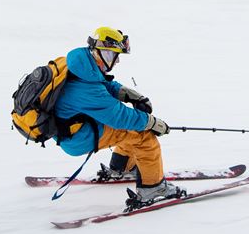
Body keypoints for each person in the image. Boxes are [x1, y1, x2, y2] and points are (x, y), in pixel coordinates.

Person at [54, 26, 184, 207]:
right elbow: (119, 116)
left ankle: (121, 167)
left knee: (128, 129)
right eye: (115, 55)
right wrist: (152, 123)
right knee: (143, 135)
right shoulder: (86, 87)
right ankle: (153, 188)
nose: (117, 62)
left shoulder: (80, 63)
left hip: (74, 128)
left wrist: (127, 93)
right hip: (79, 137)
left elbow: (100, 83)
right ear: (104, 52)